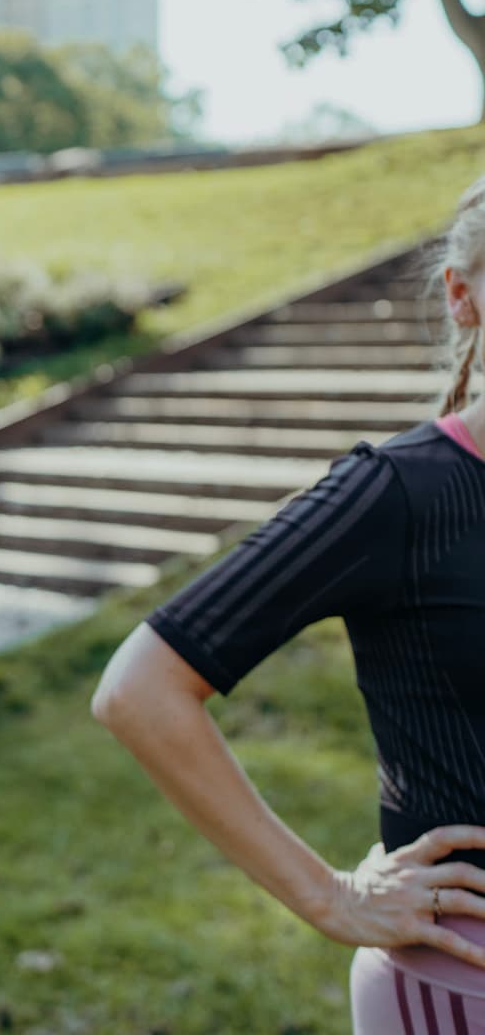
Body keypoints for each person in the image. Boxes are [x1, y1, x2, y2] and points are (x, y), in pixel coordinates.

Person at [92, 177, 485, 1031]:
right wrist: (332, 898)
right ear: (464, 296)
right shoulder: (397, 495)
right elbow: (141, 691)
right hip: (461, 988)